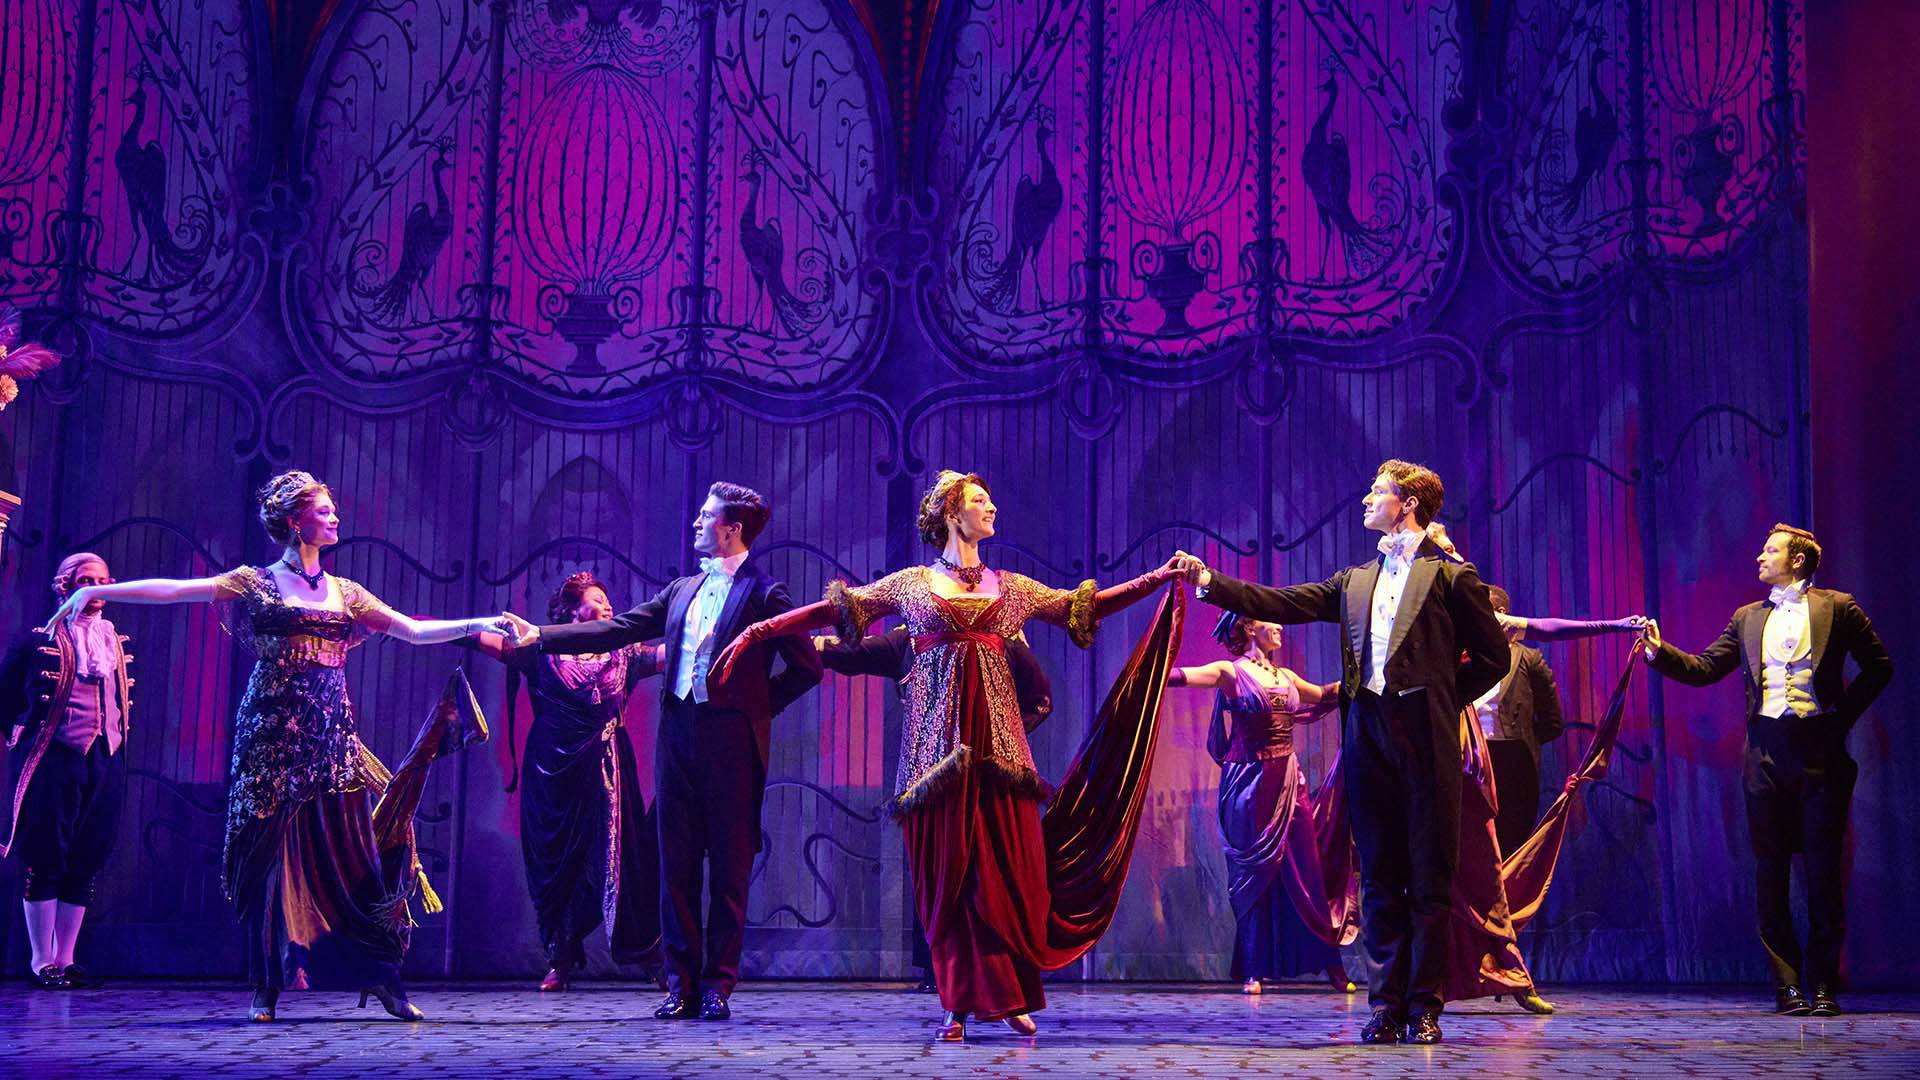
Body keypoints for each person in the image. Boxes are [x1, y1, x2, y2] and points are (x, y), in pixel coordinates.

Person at [713, 470, 1184, 1041]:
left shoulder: (1010, 588)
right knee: (949, 879)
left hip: (1001, 750)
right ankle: (956, 1003)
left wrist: (1156, 578)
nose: (992, 509)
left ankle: (1010, 995)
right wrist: (761, 630)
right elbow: (834, 610)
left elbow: (1082, 606)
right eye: (980, 501)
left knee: (1008, 874)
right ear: (951, 514)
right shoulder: (913, 585)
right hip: (934, 754)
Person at [47, 471, 510, 1022]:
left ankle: (384, 980)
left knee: (356, 857)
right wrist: (96, 589)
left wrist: (480, 620)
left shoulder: (348, 592)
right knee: (267, 863)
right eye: (324, 510)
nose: (335, 517)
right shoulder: (254, 581)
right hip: (270, 736)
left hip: (330, 736)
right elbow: (175, 590)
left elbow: (410, 629)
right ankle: (266, 987)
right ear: (296, 521)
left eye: (334, 510)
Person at [1172, 459, 1509, 1045]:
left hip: (1424, 734)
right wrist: (1210, 581)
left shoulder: (1453, 577)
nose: (1365, 501)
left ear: (1406, 503)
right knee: (1377, 873)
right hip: (1369, 732)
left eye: (1376, 492)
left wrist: (1441, 700)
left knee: (1430, 873)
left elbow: (1494, 657)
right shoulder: (1354, 580)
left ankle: (1423, 1006)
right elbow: (1282, 601)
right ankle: (1386, 1004)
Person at [500, 482, 822, 1022]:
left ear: (731, 528)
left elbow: (808, 667)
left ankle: (718, 984)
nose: (696, 523)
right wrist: (541, 636)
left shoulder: (766, 594)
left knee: (728, 869)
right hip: (676, 741)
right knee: (674, 867)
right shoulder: (680, 590)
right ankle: (681, 984)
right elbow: (618, 628)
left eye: (705, 516)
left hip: (731, 745)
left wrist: (754, 710)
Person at [1641, 523, 1890, 1017]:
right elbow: (1705, 668)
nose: (1759, 556)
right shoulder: (1748, 617)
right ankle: (1788, 984)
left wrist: (1840, 717)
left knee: (1822, 873)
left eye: (1770, 550)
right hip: (1765, 757)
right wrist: (1657, 650)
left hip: (1820, 752)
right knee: (1770, 871)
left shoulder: (1837, 607)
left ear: (1797, 560)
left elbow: (1879, 666)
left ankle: (1823, 985)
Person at [815, 625, 1053, 995]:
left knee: (989, 874)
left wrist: (1003, 737)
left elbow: (1040, 698)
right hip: (932, 775)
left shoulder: (1000, 633)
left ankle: (999, 978)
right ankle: (942, 975)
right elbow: (854, 654)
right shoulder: (908, 639)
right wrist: (803, 639)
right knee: (938, 871)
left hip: (990, 777)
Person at [474, 571, 663, 992]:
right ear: (574, 610)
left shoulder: (625, 654)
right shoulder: (539, 651)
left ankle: (649, 956)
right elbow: (486, 642)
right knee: (555, 865)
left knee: (621, 862)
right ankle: (560, 957)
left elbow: (674, 654)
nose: (609, 604)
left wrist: (723, 632)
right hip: (553, 774)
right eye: (598, 598)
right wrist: (414, 627)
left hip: (608, 772)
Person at [1165, 612, 1355, 995]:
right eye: (1273, 622)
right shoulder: (1231, 672)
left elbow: (1321, 695)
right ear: (1250, 628)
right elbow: (1184, 676)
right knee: (1252, 877)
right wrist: (1154, 665)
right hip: (1248, 783)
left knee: (1307, 870)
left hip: (1288, 782)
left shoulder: (1286, 678)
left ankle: (1331, 965)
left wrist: (1360, 678)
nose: (1281, 627)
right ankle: (1253, 968)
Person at [1, 553, 133, 990]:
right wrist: (16, 734)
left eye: (101, 581)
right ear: (64, 587)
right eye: (85, 581)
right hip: (54, 756)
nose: (94, 591)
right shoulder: (37, 640)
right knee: (47, 852)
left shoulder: (113, 640)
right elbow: (5, 695)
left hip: (104, 754)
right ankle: (42, 961)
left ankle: (66, 956)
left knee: (87, 853)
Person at [1475, 585, 1567, 861]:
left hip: (1513, 764)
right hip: (1473, 762)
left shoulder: (1529, 659)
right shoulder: (1464, 658)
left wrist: (1520, 740)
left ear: (1500, 613)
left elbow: (1552, 722)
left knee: (1508, 841)